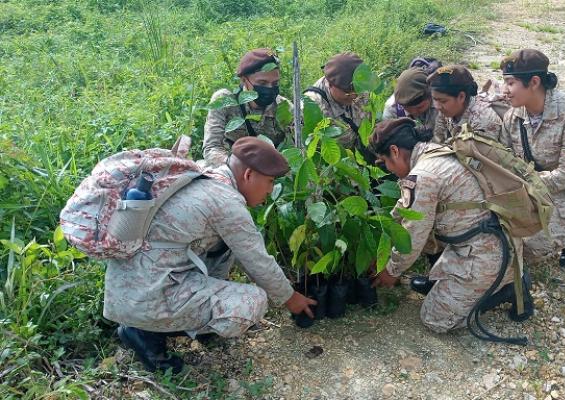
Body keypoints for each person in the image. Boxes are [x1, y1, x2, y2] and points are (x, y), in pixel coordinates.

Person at [107, 137, 316, 372]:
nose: (270, 189)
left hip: (136, 283)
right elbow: (258, 262)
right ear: (248, 175)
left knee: (224, 249)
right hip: (144, 294)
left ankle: (182, 322)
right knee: (253, 302)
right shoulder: (226, 202)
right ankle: (145, 334)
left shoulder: (206, 176)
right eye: (269, 181)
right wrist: (291, 298)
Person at [369, 118, 522, 333]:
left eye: (385, 162)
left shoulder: (423, 175)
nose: (388, 169)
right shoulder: (436, 152)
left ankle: (506, 289)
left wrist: (392, 271)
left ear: (394, 151)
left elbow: (413, 236)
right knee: (440, 294)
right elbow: (403, 209)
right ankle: (494, 280)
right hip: (489, 242)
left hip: (487, 254)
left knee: (434, 319)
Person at [498, 49, 565, 267]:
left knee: (527, 247)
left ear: (534, 82)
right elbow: (506, 160)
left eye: (510, 83)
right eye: (504, 82)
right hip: (535, 189)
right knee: (496, 234)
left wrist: (523, 187)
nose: (504, 90)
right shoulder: (513, 117)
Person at [203, 48, 293, 167]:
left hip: (271, 172)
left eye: (275, 83)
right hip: (229, 169)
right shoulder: (225, 101)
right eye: (262, 83)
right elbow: (211, 148)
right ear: (244, 80)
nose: (270, 88)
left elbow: (295, 149)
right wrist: (238, 167)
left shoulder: (284, 108)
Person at [304, 52, 370, 150]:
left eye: (357, 90)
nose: (354, 96)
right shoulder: (312, 106)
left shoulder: (361, 89)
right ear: (330, 84)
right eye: (347, 92)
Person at [427, 65, 503, 144]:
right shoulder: (446, 110)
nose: (437, 106)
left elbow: (481, 154)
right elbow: (438, 141)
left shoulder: (483, 119)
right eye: (435, 99)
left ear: (461, 97)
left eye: (443, 101)